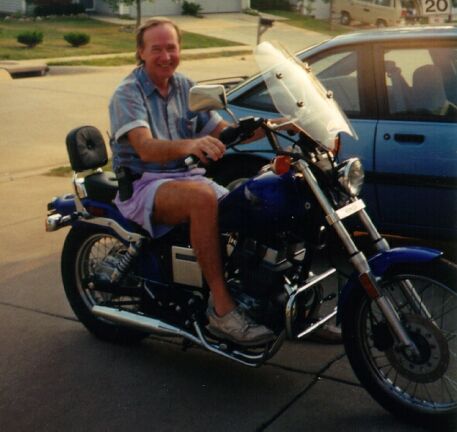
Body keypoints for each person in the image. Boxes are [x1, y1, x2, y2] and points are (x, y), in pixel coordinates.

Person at [109, 18, 274, 346]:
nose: (166, 55)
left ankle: (267, 299)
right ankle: (222, 311)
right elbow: (145, 146)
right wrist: (189, 145)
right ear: (141, 53)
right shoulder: (127, 93)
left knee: (254, 199)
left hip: (185, 177)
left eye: (171, 47)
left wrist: (282, 125)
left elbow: (222, 132)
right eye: (156, 49)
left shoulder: (184, 86)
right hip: (145, 184)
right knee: (202, 198)